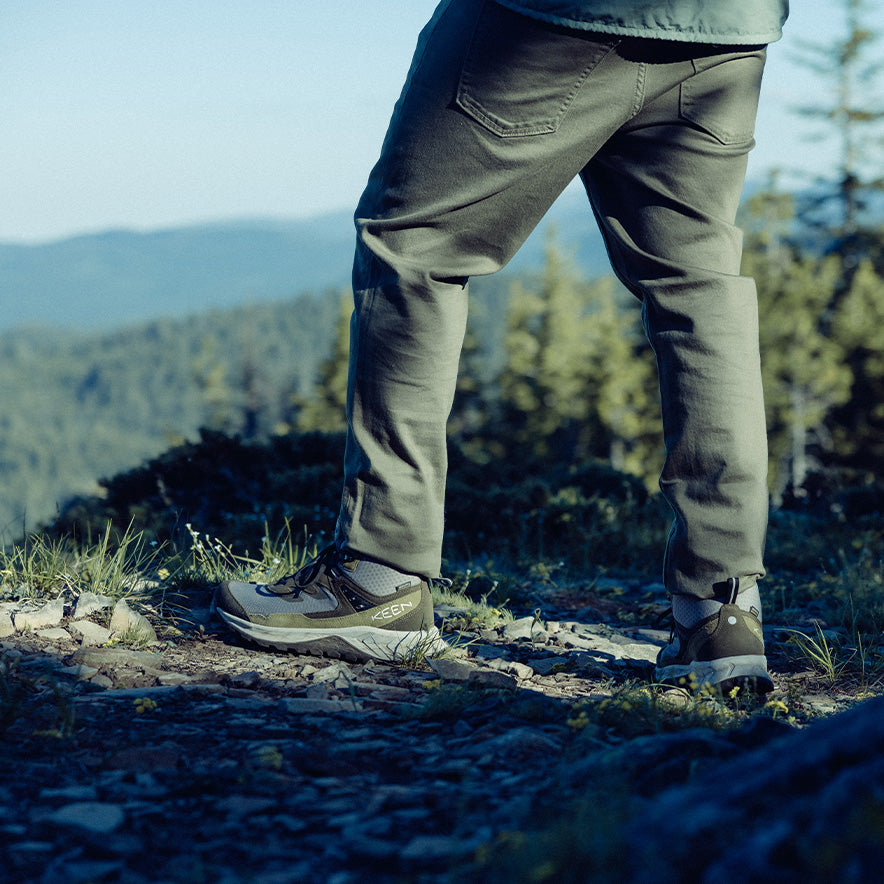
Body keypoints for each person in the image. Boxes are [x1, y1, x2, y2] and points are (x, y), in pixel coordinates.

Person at [216, 0, 790, 693]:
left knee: (414, 249)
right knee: (697, 284)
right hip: (729, 24)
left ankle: (379, 576)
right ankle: (723, 610)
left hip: (552, 16)